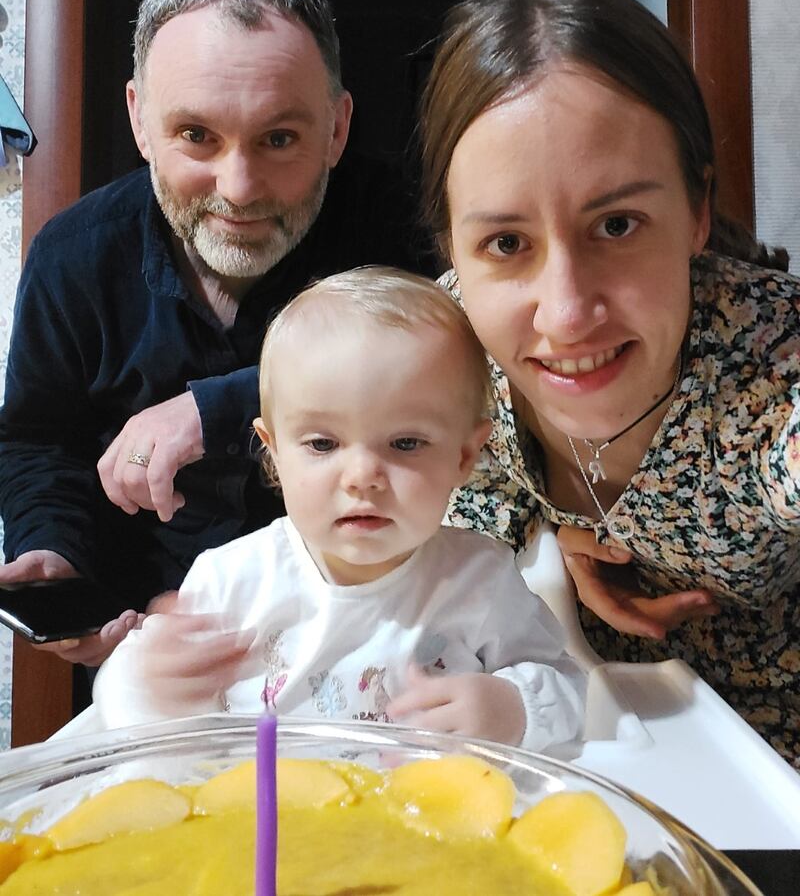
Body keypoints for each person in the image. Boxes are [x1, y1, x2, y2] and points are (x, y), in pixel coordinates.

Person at [0, 0, 431, 667]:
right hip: (150, 657)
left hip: (373, 652)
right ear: (140, 120)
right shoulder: (72, 256)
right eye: (197, 135)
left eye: (280, 139)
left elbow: (444, 380)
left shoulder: (409, 232)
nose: (238, 186)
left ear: (337, 129)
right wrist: (52, 546)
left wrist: (215, 412)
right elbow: (38, 441)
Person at [418, 0, 800, 766]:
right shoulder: (446, 343)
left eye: (617, 224)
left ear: (696, 210)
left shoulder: (769, 361)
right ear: (452, 249)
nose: (565, 312)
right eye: (507, 244)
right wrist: (544, 531)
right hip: (580, 746)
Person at [92, 268, 585, 749]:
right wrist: (148, 683)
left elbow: (569, 684)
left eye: (406, 443)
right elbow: (124, 712)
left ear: (464, 456)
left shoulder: (480, 582)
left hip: (420, 820)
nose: (361, 476)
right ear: (275, 452)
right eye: (323, 443)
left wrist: (511, 708)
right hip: (260, 822)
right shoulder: (231, 582)